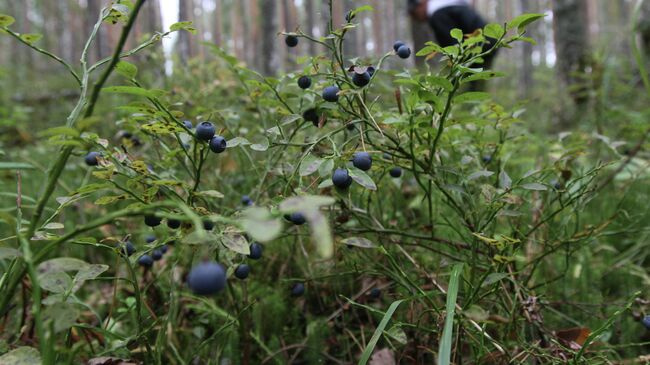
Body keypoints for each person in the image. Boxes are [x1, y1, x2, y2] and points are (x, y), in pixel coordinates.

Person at [408, 0, 497, 70]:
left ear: (422, 3)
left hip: (479, 46)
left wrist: (451, 66)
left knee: (468, 83)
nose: (416, 19)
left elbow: (452, 46)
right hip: (489, 41)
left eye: (414, 13)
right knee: (476, 82)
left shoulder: (437, 15)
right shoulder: (448, 6)